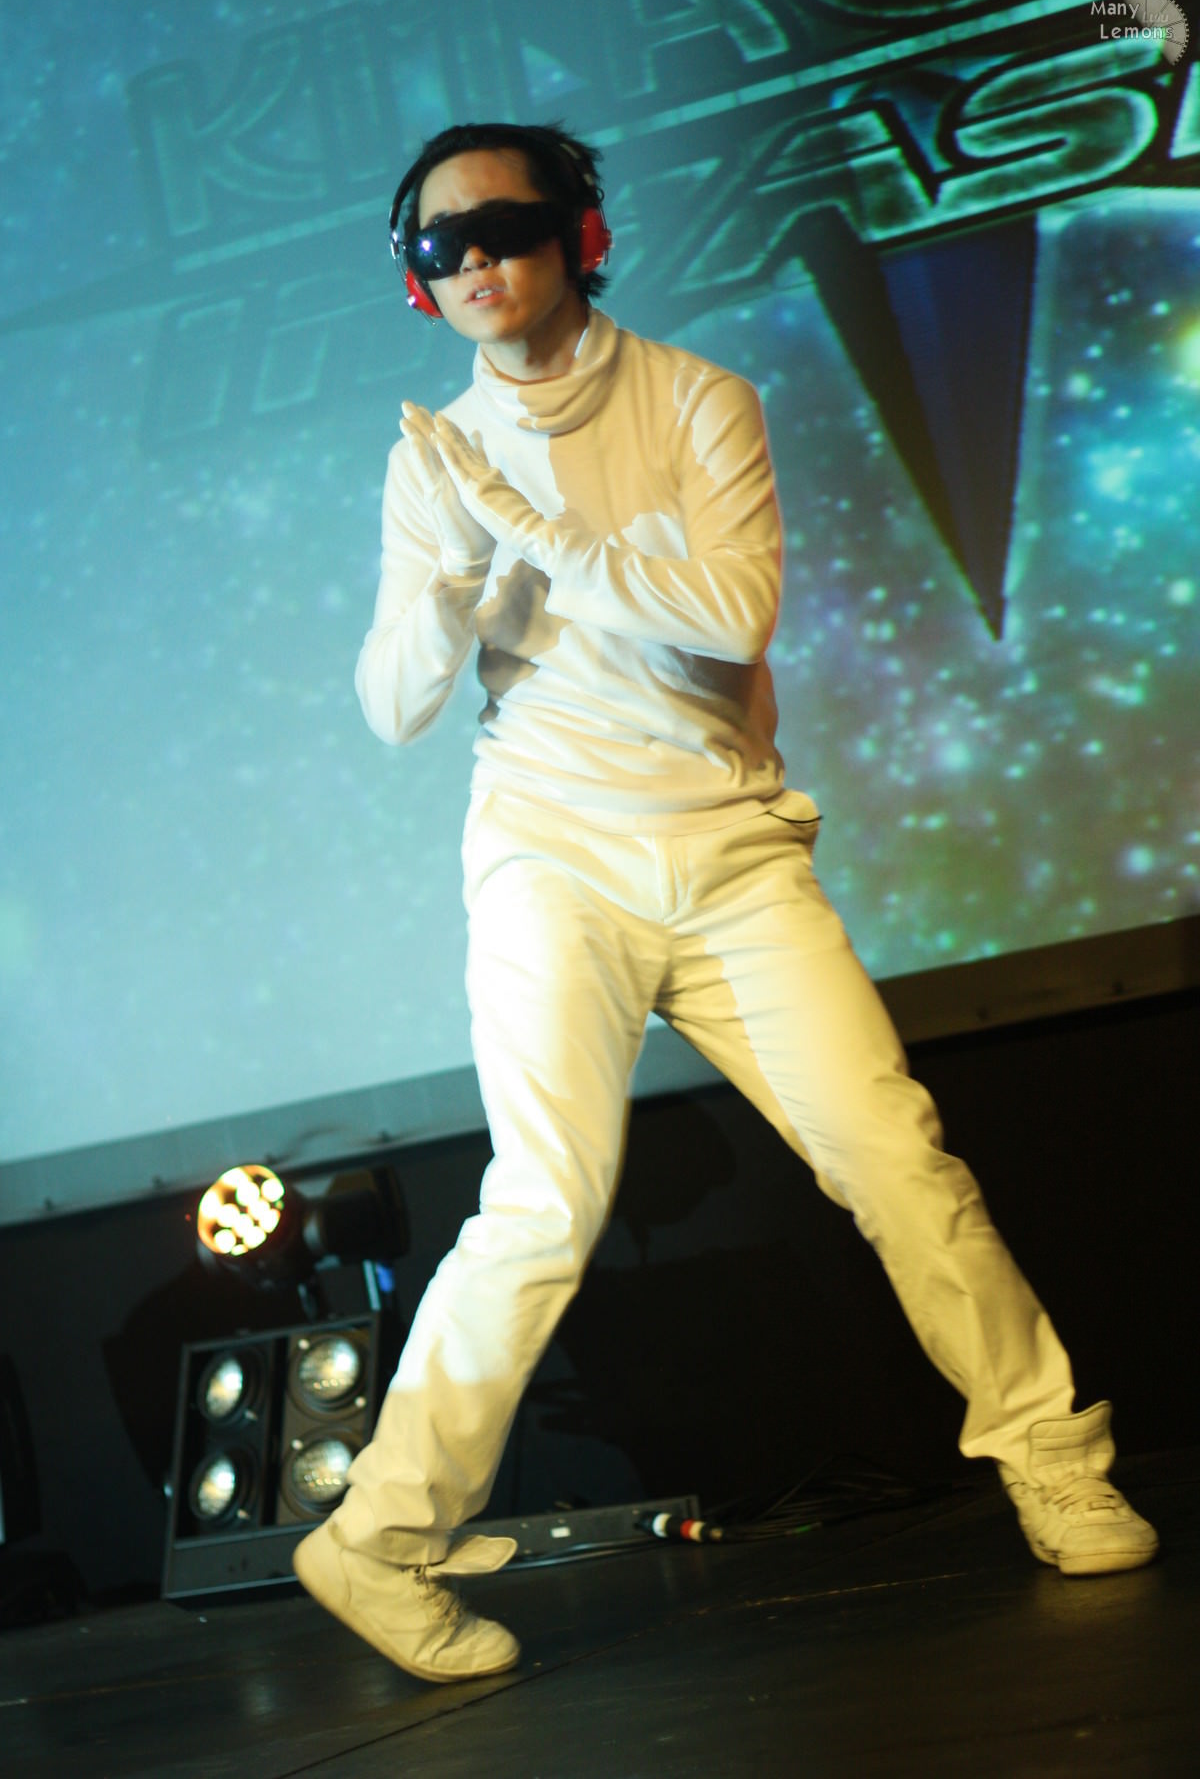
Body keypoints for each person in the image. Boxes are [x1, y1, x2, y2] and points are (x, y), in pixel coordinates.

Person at [293, 121, 1158, 1683]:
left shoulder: (699, 399)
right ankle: (378, 1540)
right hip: (553, 852)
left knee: (895, 1158)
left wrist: (533, 532)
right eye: (438, 246)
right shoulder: (432, 460)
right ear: (417, 283)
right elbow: (393, 707)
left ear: (581, 235)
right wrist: (455, 582)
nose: (474, 261)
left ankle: (1053, 1460)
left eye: (505, 227)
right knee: (542, 1203)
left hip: (731, 853)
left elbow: (728, 613)